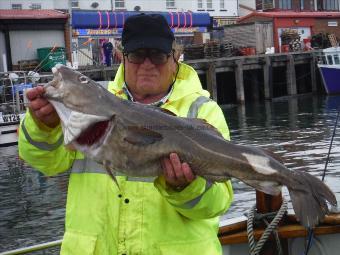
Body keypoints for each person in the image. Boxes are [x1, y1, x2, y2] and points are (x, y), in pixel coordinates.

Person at [19, 13, 233, 254]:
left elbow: (218, 204)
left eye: (158, 55)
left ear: (175, 57)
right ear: (123, 57)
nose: (147, 64)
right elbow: (47, 164)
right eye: (137, 55)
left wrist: (186, 188)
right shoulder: (88, 104)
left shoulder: (202, 112)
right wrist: (44, 126)